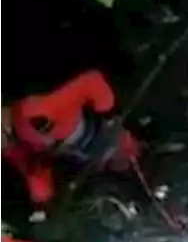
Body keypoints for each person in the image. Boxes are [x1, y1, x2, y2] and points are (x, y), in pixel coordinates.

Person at [0, 69, 141, 215]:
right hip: (93, 161)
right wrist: (41, 205)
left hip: (107, 139)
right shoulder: (19, 144)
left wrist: (109, 114)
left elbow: (91, 82)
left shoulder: (33, 111)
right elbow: (34, 171)